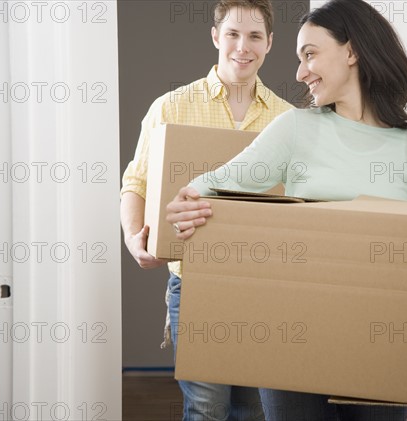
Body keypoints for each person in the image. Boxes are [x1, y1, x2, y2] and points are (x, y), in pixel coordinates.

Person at [165, 0, 407, 420]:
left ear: (352, 51)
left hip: (384, 341)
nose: (299, 72)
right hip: (293, 336)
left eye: (309, 54)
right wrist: (186, 204)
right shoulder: (296, 130)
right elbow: (215, 182)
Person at [120, 0, 294, 419]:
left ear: (270, 43)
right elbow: (136, 183)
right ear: (216, 36)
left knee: (253, 408)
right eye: (233, 34)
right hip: (195, 284)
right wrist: (133, 238)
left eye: (254, 36)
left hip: (261, 287)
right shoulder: (171, 108)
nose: (243, 46)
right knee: (205, 409)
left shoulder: (288, 120)